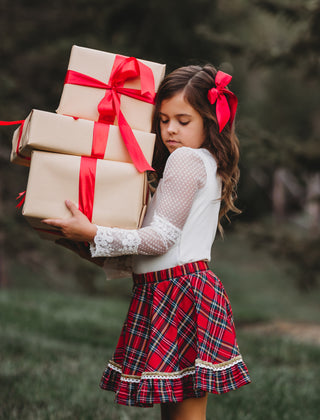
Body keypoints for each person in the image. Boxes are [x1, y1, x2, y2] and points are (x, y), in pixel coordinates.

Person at [43, 64, 251, 420]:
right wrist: (86, 245)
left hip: (178, 294)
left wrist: (93, 233)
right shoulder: (203, 161)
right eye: (164, 119)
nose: (170, 130)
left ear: (210, 120)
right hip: (174, 290)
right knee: (178, 414)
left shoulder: (185, 160)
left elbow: (160, 240)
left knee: (184, 416)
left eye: (183, 121)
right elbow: (153, 254)